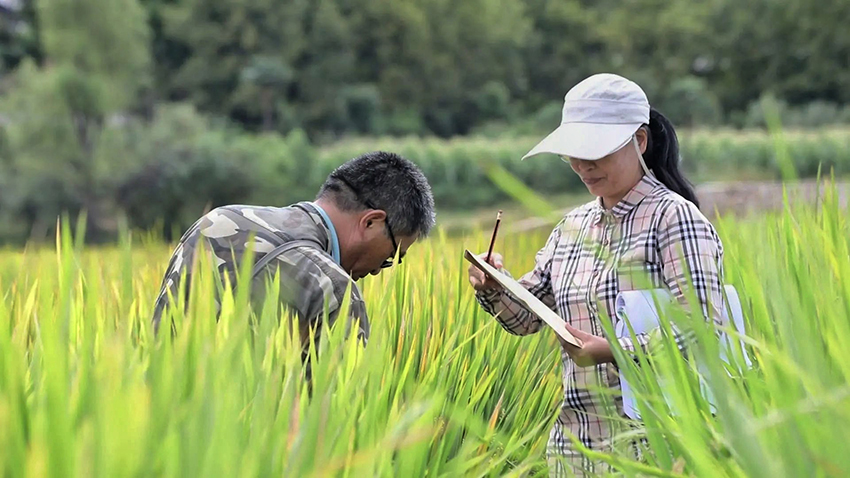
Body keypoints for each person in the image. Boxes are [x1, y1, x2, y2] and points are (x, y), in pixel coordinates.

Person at [467, 73, 725, 476]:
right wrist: (495, 287)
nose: (583, 166)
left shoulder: (673, 219)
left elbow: (703, 327)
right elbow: (528, 318)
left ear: (639, 141)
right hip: (576, 448)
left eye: (596, 152)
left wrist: (613, 350)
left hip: (658, 449)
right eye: (574, 152)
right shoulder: (572, 227)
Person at [152, 151, 436, 359]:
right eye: (392, 255)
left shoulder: (217, 222)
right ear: (371, 222)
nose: (378, 270)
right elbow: (334, 417)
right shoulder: (332, 288)